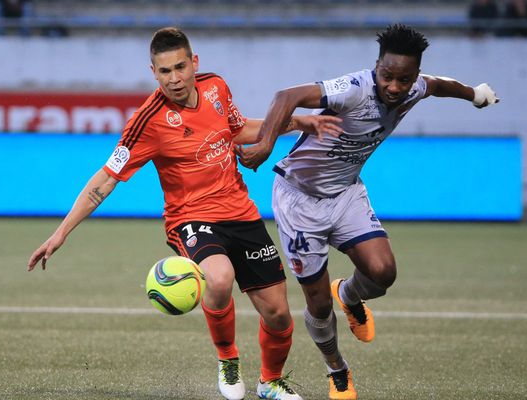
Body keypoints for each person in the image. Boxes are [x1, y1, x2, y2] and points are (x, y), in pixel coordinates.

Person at [27, 27, 341, 400]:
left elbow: (238, 130)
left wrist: (297, 122)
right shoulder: (147, 121)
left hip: (240, 213)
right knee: (219, 278)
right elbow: (106, 179)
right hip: (190, 218)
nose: (174, 79)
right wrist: (61, 233)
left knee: (278, 314)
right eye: (164, 71)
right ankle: (228, 361)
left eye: (180, 67)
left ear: (194, 63)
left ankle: (270, 381)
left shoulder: (217, 88)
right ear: (153, 72)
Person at [236, 24, 499, 400]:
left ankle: (349, 294)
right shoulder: (354, 88)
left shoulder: (416, 87)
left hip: (346, 194)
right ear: (376, 67)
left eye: (403, 79)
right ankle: (336, 369)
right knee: (317, 303)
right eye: (387, 76)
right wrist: (264, 146)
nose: (394, 86)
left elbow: (440, 84)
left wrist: (475, 94)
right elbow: (286, 96)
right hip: (298, 200)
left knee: (383, 272)